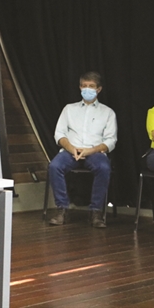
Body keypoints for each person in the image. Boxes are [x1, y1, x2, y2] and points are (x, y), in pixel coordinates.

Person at [47, 71, 117, 228]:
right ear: (79, 87)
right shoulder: (69, 109)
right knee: (54, 166)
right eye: (84, 86)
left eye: (91, 86)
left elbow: (111, 140)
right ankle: (62, 210)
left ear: (99, 89)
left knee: (104, 168)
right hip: (70, 151)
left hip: (95, 152)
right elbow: (59, 134)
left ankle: (96, 212)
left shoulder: (108, 112)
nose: (87, 89)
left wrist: (91, 151)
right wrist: (72, 149)